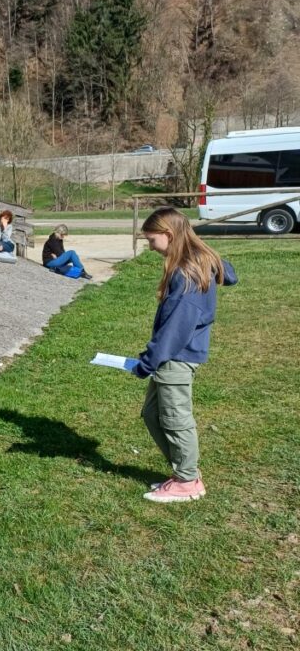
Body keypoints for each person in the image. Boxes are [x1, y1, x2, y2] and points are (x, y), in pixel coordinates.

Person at [134, 208, 237, 503]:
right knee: (153, 414)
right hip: (171, 356)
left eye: (152, 240)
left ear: (168, 234)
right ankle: (184, 471)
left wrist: (148, 361)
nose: (151, 247)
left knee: (175, 419)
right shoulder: (195, 262)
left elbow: (176, 327)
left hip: (176, 358)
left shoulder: (187, 272)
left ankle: (188, 480)